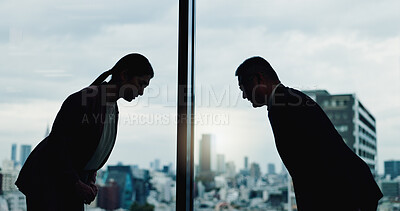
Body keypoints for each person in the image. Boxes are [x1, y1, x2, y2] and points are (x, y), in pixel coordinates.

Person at [235, 56, 382, 211]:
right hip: (353, 189)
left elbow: (309, 168)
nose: (244, 95)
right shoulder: (287, 99)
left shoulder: (283, 105)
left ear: (258, 79)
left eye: (243, 87)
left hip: (347, 194)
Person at [15, 53, 154, 211]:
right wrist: (77, 183)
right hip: (49, 183)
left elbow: (88, 148)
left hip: (67, 182)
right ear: (124, 75)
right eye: (141, 83)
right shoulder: (85, 100)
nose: (142, 92)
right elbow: (58, 146)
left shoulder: (110, 106)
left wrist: (90, 179)